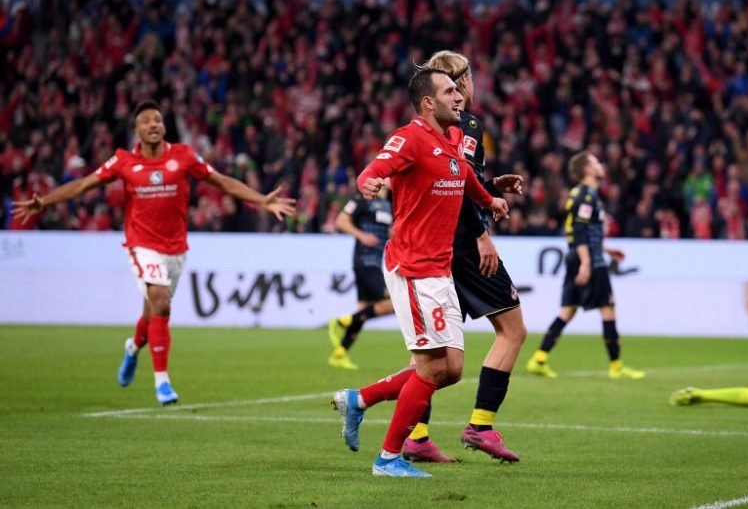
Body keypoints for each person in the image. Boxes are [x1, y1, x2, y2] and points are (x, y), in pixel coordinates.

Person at [11, 100, 295, 405]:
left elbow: (222, 182)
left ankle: (133, 348)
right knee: (160, 300)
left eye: (158, 120)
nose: (154, 125)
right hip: (141, 245)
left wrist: (262, 200)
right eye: (146, 121)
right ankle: (162, 382)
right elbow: (84, 185)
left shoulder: (184, 156)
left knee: (153, 312)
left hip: (175, 249)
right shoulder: (123, 161)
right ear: (136, 130)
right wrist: (46, 202)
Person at [330, 68, 509, 478]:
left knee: (451, 370)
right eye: (449, 91)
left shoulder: (449, 142)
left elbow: (463, 179)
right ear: (428, 103)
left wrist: (491, 200)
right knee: (430, 368)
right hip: (411, 267)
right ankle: (388, 458)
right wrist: (368, 182)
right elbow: (375, 168)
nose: (459, 96)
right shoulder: (409, 137)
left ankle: (359, 400)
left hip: (439, 268)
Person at [525, 152, 645, 380]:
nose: (601, 165)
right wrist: (587, 263)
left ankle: (539, 358)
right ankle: (617, 367)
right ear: (588, 169)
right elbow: (579, 232)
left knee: (567, 311)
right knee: (608, 309)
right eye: (597, 162)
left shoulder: (583, 195)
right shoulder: (586, 197)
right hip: (588, 259)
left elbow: (582, 232)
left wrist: (606, 249)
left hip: (579, 256)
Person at [326, 183, 394, 370]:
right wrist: (362, 236)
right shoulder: (363, 199)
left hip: (376, 262)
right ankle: (343, 320)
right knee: (395, 302)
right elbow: (341, 221)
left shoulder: (389, 204)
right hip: (365, 261)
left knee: (364, 311)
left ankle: (339, 353)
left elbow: (384, 230)